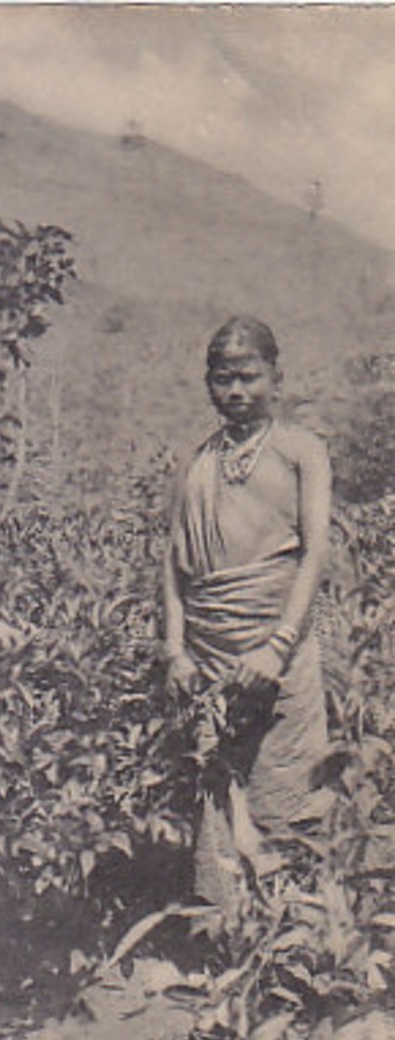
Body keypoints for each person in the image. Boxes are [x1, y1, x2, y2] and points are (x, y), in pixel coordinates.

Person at [161, 317, 331, 910]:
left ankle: (293, 948)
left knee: (286, 785)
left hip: (276, 653)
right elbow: (173, 566)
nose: (235, 392)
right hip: (208, 656)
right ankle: (226, 942)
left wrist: (277, 645)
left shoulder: (301, 450)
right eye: (222, 379)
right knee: (216, 790)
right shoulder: (196, 463)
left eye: (248, 377)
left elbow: (315, 553)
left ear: (276, 378)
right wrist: (176, 651)